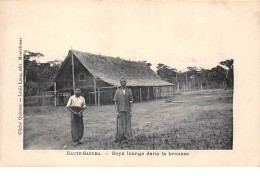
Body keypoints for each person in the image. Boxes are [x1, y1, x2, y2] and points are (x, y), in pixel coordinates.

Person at [113, 78, 134, 143]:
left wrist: (131, 111)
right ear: (120, 83)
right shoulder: (117, 91)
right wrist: (116, 112)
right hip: (120, 110)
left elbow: (131, 102)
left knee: (128, 124)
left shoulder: (129, 91)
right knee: (120, 124)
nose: (123, 83)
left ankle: (128, 137)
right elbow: (115, 102)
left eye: (124, 81)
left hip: (127, 110)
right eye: (122, 82)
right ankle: (119, 138)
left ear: (126, 82)